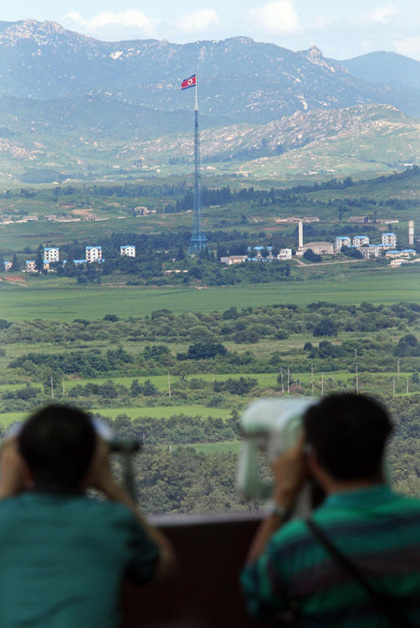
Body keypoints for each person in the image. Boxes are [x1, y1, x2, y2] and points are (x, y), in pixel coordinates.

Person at [241, 393, 420, 627]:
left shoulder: (295, 545)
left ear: (313, 460)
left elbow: (257, 597)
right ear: (382, 450)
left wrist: (283, 495)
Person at [0, 404, 175, 627]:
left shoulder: (4, 517)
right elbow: (164, 563)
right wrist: (109, 484)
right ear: (92, 466)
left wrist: (7, 482)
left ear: (25, 467)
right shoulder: (112, 520)